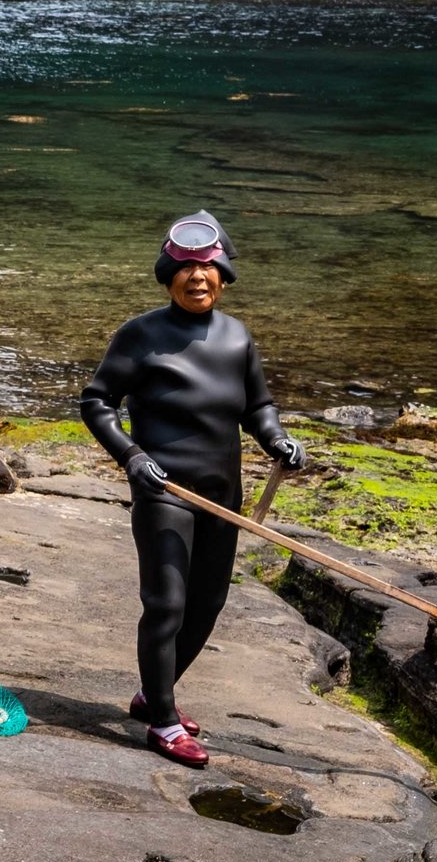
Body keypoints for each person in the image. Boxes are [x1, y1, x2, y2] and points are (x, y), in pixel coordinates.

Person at [81, 210, 305, 768]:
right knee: (167, 605)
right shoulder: (140, 335)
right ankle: (163, 722)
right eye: (186, 270)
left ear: (224, 277)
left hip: (222, 496)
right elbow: (97, 402)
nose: (198, 278)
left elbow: (258, 406)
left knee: (207, 604)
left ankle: (153, 693)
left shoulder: (237, 337)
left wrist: (277, 440)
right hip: (164, 490)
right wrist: (131, 456)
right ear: (168, 276)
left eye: (209, 270)